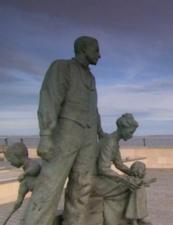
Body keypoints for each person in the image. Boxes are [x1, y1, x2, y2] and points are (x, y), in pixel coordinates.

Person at [23, 36, 104, 225]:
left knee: (82, 186)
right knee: (50, 184)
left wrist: (99, 130)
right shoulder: (62, 68)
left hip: (88, 137)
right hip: (66, 133)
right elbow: (49, 100)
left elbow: (93, 107)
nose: (100, 55)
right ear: (83, 49)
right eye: (96, 50)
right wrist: (46, 135)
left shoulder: (91, 78)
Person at [92, 113, 140, 225]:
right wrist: (125, 180)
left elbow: (119, 164)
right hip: (94, 180)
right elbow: (103, 168)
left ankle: (121, 219)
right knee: (129, 188)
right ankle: (116, 220)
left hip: (102, 179)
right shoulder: (110, 142)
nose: (131, 136)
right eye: (131, 132)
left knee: (132, 185)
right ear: (123, 128)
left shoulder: (113, 141)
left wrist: (132, 173)